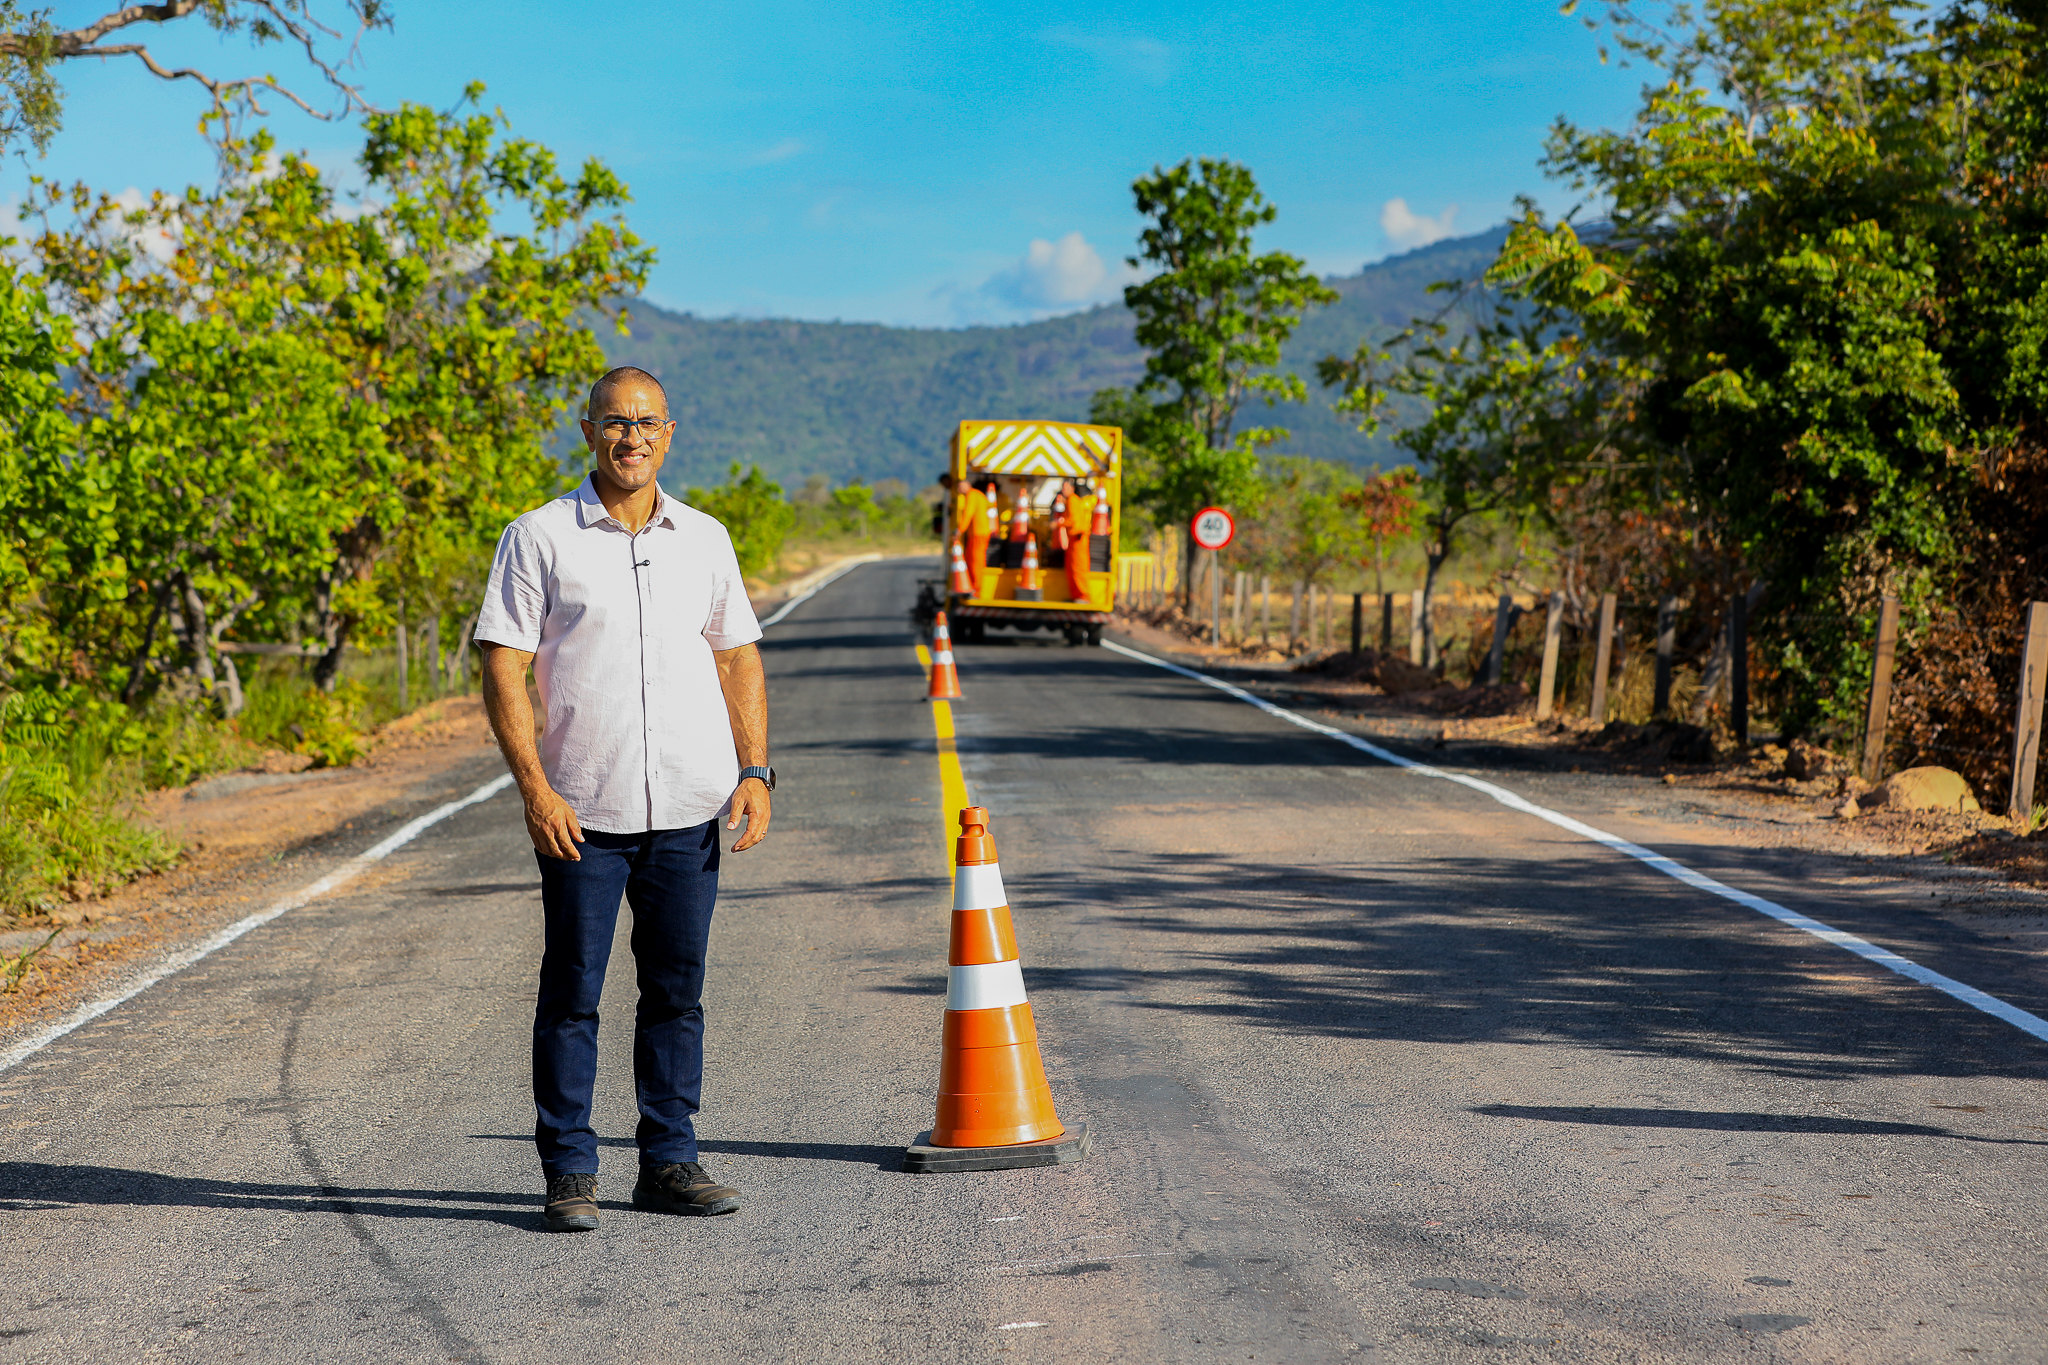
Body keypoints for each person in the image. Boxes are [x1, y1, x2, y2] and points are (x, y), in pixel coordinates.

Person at [475, 365, 774, 1233]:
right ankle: (569, 1170)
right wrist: (534, 787)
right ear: (588, 431)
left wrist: (754, 768)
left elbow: (739, 654)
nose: (631, 437)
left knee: (676, 991)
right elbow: (503, 660)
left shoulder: (705, 538)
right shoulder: (538, 537)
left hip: (689, 807)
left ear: (669, 434)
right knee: (572, 991)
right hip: (582, 813)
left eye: (646, 422)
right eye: (615, 422)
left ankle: (668, 1161)